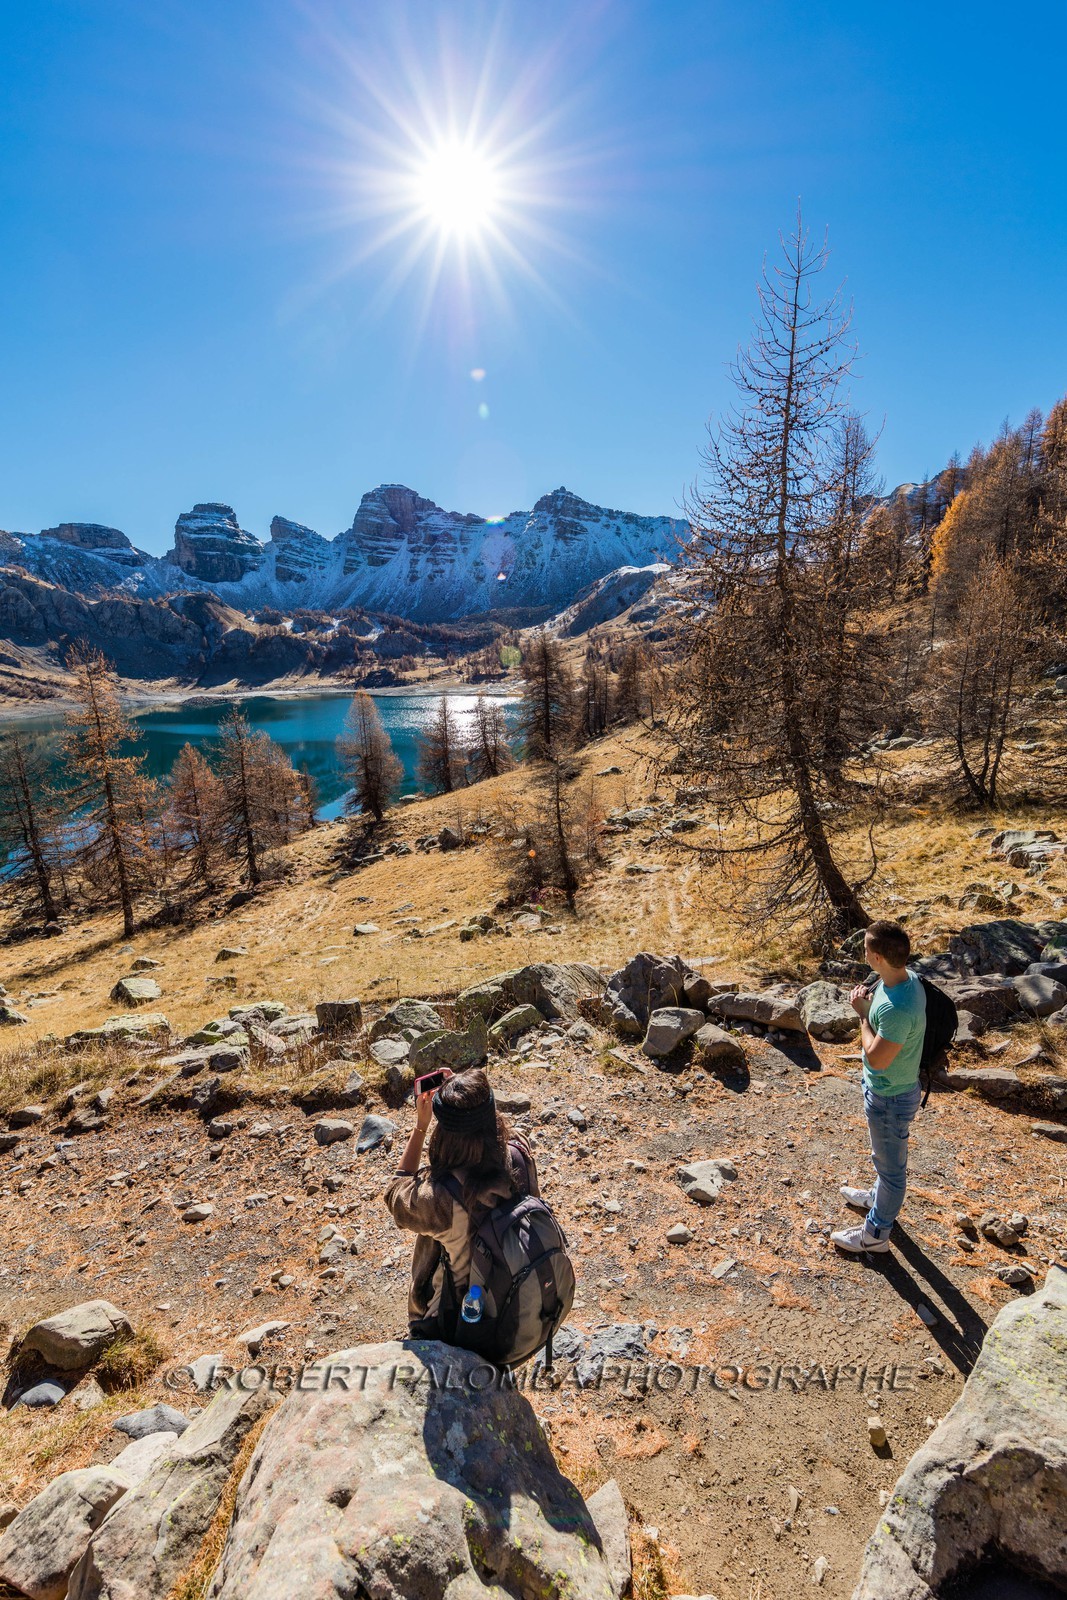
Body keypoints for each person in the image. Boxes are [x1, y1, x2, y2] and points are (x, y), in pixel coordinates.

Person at [384, 1066, 538, 1341]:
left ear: (444, 1132)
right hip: (514, 1305)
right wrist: (465, 1091)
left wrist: (420, 1126)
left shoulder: (442, 1198)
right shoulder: (518, 1152)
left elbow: (395, 1194)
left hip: (454, 1324)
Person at [831, 919, 927, 1255]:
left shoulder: (896, 1008)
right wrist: (871, 1008)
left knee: (892, 1174)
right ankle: (877, 1199)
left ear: (877, 958)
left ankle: (875, 1234)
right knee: (885, 1160)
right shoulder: (907, 980)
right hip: (896, 1088)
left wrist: (861, 1015)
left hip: (890, 1095)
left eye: (867, 948)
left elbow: (876, 1059)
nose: (864, 952)